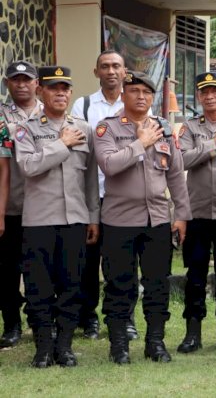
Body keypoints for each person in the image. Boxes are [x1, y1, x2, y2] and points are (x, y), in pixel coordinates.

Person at [94, 70, 191, 364]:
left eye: (146, 93)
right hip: (119, 221)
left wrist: (182, 215)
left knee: (157, 284)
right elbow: (109, 165)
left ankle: (155, 342)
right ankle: (119, 344)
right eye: (134, 91)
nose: (141, 97)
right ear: (123, 95)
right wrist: (141, 143)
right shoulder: (106, 129)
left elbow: (175, 175)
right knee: (119, 285)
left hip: (157, 220)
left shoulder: (163, 128)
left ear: (153, 98)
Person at [15, 66, 100, 367]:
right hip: (38, 221)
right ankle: (42, 347)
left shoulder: (84, 129)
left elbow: (90, 179)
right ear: (41, 92)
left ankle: (63, 346)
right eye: (53, 88)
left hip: (75, 220)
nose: (60, 93)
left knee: (71, 285)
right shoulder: (26, 129)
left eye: (65, 88)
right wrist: (61, 144)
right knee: (38, 287)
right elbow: (28, 166)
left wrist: (93, 217)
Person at [71, 49, 136, 340]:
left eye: (116, 67)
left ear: (125, 72)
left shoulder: (136, 103)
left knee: (122, 262)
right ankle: (89, 318)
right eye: (105, 67)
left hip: (123, 197)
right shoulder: (83, 106)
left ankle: (125, 318)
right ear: (96, 72)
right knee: (87, 260)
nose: (111, 71)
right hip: (90, 195)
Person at [177, 72, 216, 353]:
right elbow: (181, 159)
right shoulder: (190, 128)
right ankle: (193, 332)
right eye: (205, 92)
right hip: (199, 212)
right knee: (196, 275)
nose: (210, 96)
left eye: (215, 90)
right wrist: (212, 145)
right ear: (199, 96)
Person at [0, 60, 39, 349]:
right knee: (7, 269)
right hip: (12, 205)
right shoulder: (1, 118)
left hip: (45, 207)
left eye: (27, 79)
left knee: (40, 268)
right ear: (7, 84)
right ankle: (11, 324)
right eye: (16, 80)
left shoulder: (50, 111)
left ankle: (38, 320)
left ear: (37, 83)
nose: (22, 84)